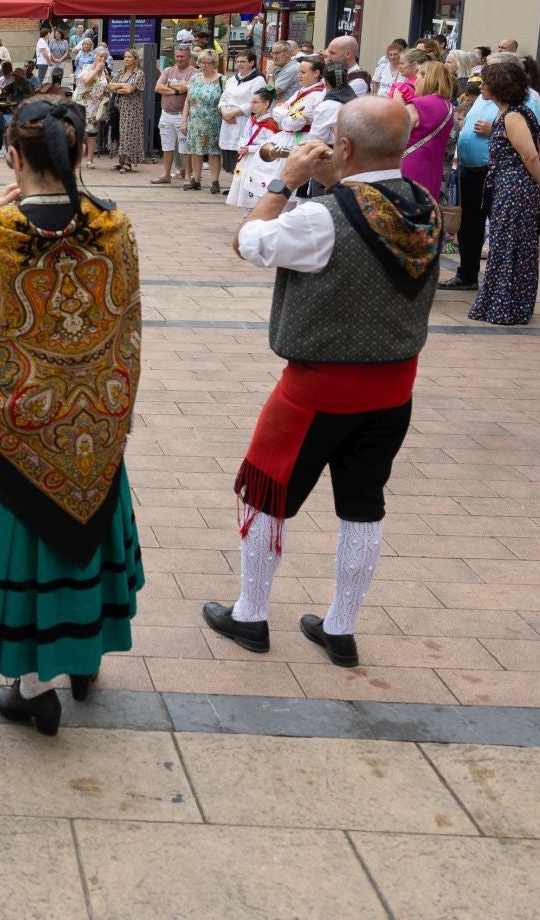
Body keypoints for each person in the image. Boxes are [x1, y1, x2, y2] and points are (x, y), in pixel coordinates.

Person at [0, 100, 145, 735]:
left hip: (14, 423)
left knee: (19, 545)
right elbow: (123, 321)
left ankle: (28, 687)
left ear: (14, 158)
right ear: (81, 156)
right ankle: (83, 657)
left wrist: (0, 212)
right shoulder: (116, 228)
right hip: (90, 425)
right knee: (88, 528)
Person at [206, 97, 440, 669]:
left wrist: (283, 183)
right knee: (363, 505)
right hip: (393, 388)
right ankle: (341, 628)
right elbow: (371, 203)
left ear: (345, 147)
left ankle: (251, 614)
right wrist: (340, 176)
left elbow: (249, 243)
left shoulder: (321, 217)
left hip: (317, 389)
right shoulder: (426, 206)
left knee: (266, 494)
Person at [465, 56, 540, 326]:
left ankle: (507, 306)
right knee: (505, 245)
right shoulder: (506, 111)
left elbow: (530, 156)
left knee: (509, 245)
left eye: (486, 82)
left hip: (516, 186)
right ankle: (499, 304)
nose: (481, 85)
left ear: (499, 85)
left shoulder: (513, 115)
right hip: (506, 184)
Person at [439, 50, 494, 291]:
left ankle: (494, 282)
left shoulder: (523, 99)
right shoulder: (483, 96)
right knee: (470, 227)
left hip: (491, 172)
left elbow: (527, 133)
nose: (481, 79)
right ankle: (467, 275)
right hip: (469, 170)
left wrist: (494, 130)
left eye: (489, 73)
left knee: (493, 228)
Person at [398, 58, 457, 197]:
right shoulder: (448, 107)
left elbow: (395, 138)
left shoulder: (417, 105)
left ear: (426, 77)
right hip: (433, 170)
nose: (415, 81)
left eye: (417, 75)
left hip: (410, 167)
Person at [227, 87, 284, 210]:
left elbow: (270, 145)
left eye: (255, 102)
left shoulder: (271, 123)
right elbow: (244, 136)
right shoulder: (252, 119)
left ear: (266, 104)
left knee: (255, 188)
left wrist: (250, 148)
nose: (252, 105)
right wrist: (241, 146)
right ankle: (246, 214)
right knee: (243, 184)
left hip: (258, 160)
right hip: (245, 160)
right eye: (251, 102)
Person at [180, 49, 226, 194]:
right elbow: (188, 101)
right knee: (195, 151)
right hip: (195, 121)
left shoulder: (222, 80)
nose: (203, 65)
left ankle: (215, 181)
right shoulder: (194, 78)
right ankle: (196, 180)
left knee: (214, 152)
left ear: (214, 64)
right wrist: (184, 121)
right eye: (201, 62)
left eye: (207, 62)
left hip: (214, 121)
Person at [218, 47, 267, 182]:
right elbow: (223, 98)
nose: (239, 64)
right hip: (228, 118)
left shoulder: (258, 80)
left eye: (243, 61)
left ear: (251, 63)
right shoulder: (233, 79)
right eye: (238, 61)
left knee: (241, 152)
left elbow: (253, 102)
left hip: (243, 119)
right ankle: (234, 183)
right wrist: (225, 113)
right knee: (230, 155)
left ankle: (241, 184)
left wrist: (233, 113)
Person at [152, 46, 195, 184]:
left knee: (184, 147)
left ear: (189, 56)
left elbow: (189, 87)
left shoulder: (194, 73)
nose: (179, 59)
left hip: (182, 116)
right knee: (167, 146)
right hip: (166, 114)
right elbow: (158, 87)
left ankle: (188, 175)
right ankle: (166, 174)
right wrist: (177, 90)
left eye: (182, 56)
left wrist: (169, 86)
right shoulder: (168, 70)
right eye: (177, 56)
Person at [108, 50, 145, 174]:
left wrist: (117, 88)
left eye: (129, 57)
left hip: (132, 109)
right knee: (118, 133)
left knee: (128, 134)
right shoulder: (120, 72)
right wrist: (121, 87)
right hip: (118, 107)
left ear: (135, 59)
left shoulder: (139, 74)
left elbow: (129, 90)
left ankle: (128, 162)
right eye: (125, 57)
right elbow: (109, 85)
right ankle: (121, 160)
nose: (127, 59)